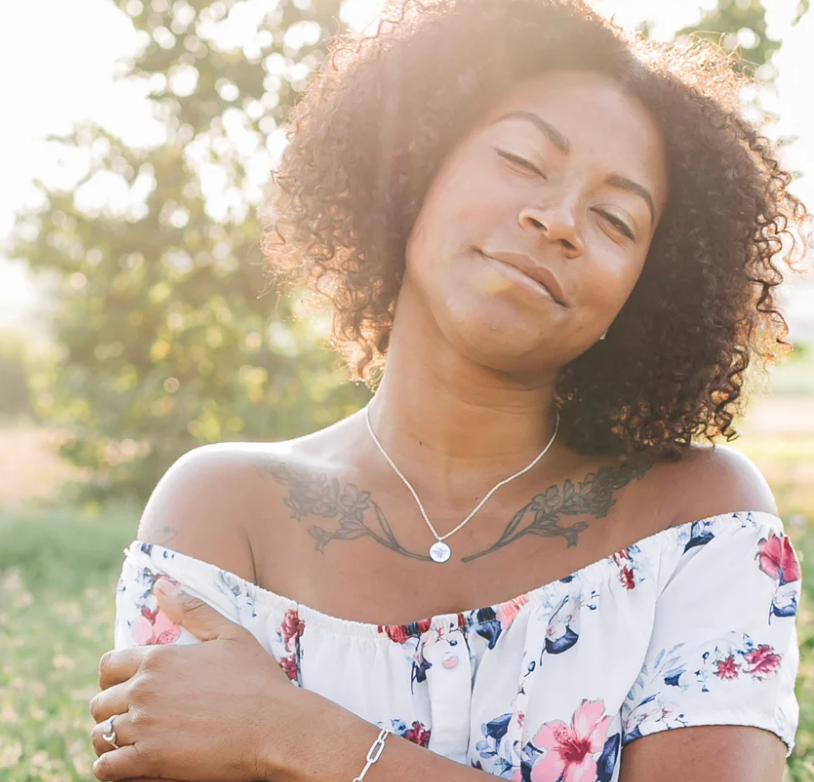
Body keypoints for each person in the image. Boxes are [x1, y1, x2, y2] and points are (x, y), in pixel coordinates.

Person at [87, 0, 812, 780]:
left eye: (614, 218)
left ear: (646, 293)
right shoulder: (224, 512)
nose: (559, 218)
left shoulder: (697, 520)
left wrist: (291, 734)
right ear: (412, 170)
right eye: (523, 161)